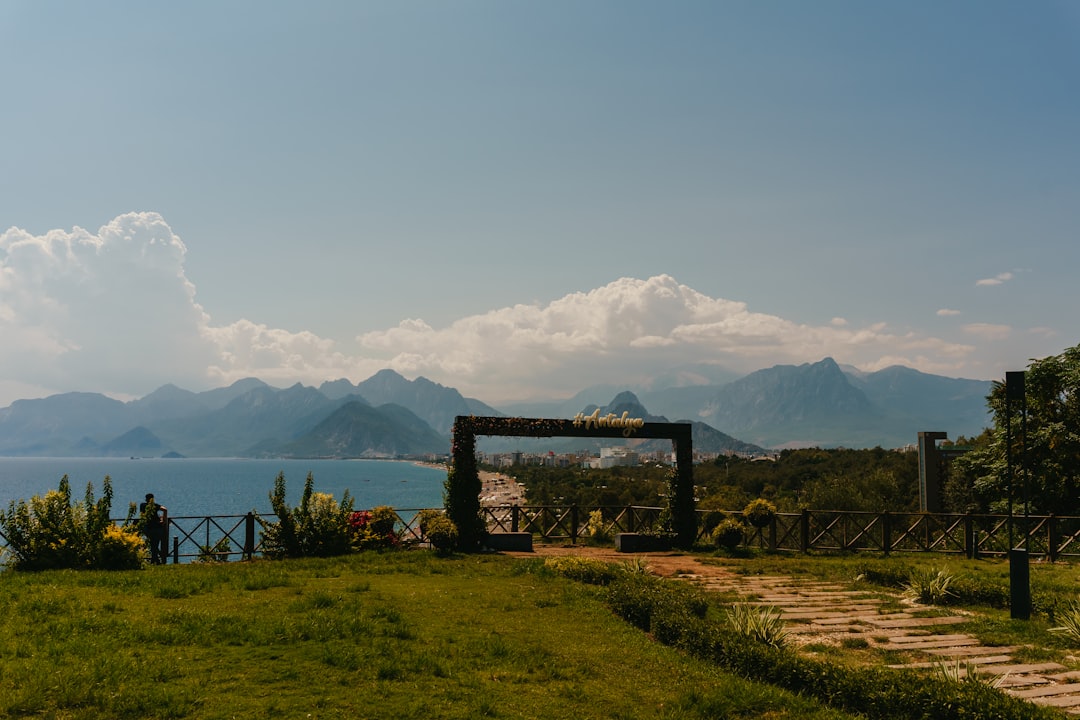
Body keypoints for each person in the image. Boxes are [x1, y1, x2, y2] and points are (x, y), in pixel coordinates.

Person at [139, 493, 168, 564]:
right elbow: (165, 509)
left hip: (148, 527)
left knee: (153, 545)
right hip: (157, 527)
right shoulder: (155, 506)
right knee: (155, 544)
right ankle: (157, 560)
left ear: (146, 499)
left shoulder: (142, 505)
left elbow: (142, 515)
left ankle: (155, 560)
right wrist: (164, 520)